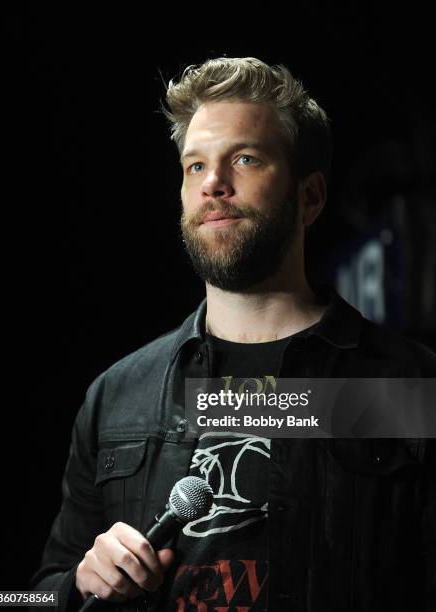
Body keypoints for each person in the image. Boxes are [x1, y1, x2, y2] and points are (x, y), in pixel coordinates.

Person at [31, 57, 436, 611]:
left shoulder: (408, 386)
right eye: (195, 166)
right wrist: (77, 585)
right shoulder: (117, 398)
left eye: (244, 159)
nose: (214, 184)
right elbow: (14, 599)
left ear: (310, 197)